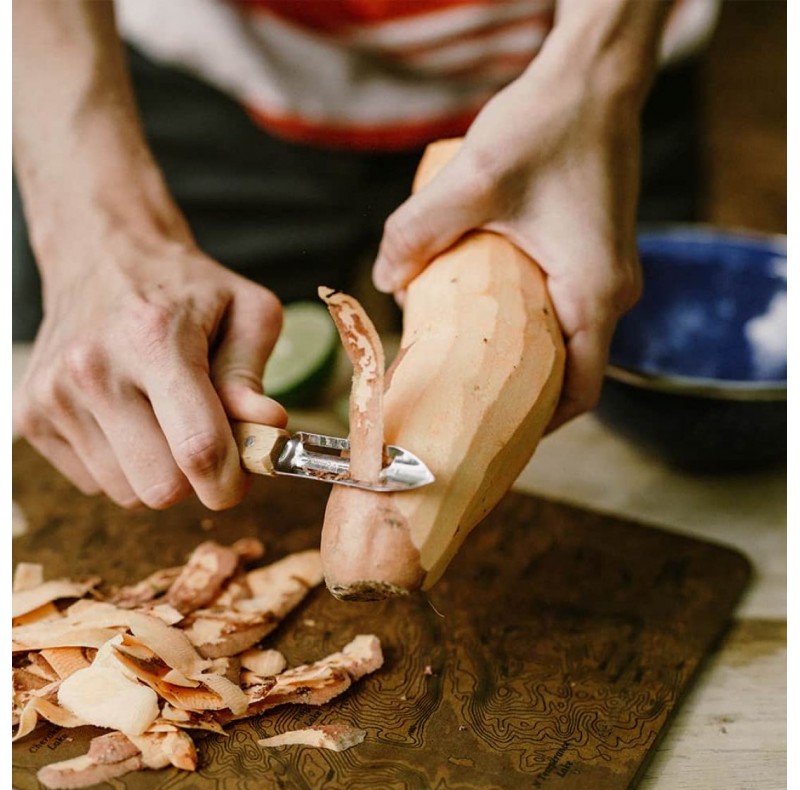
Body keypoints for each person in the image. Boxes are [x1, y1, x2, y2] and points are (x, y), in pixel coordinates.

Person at [11, 0, 717, 512]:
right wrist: (96, 231)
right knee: (132, 410)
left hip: (590, 65)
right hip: (178, 70)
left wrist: (598, 78)